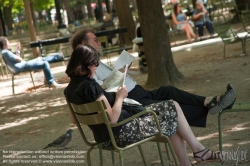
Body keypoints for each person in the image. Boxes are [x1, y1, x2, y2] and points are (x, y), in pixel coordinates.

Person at [64, 44, 222, 165]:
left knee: (168, 112)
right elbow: (112, 119)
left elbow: (74, 120)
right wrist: (119, 97)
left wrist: (105, 94)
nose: (97, 67)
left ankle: (194, 156)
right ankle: (198, 152)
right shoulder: (91, 86)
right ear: (88, 64)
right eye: (95, 63)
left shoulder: (70, 90)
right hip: (121, 134)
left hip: (102, 137)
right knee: (172, 107)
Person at [70, 29, 236, 128]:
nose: (99, 43)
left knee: (167, 90)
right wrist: (118, 73)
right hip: (132, 100)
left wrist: (122, 70)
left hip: (139, 92)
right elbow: (102, 91)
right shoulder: (88, 69)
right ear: (85, 43)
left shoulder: (95, 63)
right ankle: (215, 105)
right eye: (95, 40)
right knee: (171, 107)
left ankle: (210, 101)